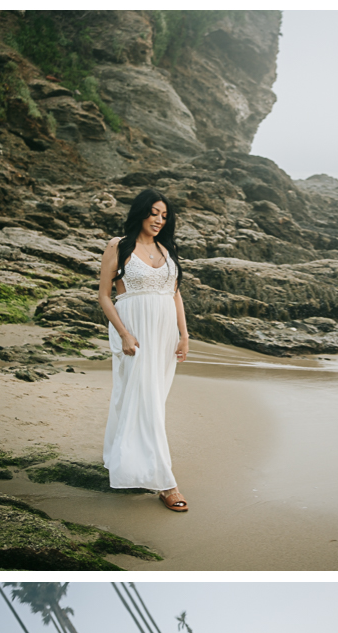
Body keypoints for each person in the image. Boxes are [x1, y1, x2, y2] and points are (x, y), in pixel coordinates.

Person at [97, 188, 190, 510]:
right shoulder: (118, 246)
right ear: (141, 212)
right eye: (154, 213)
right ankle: (167, 484)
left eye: (164, 216)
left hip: (164, 335)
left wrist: (184, 334)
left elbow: (175, 294)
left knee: (151, 400)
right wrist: (123, 333)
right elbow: (105, 296)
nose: (159, 220)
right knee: (143, 399)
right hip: (134, 332)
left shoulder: (168, 249)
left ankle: (120, 457)